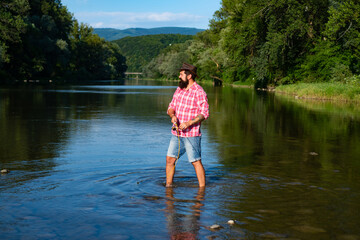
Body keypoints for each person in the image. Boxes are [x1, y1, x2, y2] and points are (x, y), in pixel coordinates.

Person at [166, 62, 209, 187]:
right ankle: (168, 187)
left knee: (195, 161)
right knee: (170, 160)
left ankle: (202, 190)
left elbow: (204, 113)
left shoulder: (199, 91)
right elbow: (171, 107)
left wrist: (189, 122)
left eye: (181, 74)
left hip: (192, 134)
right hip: (176, 133)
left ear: (189, 76)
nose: (179, 77)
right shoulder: (179, 90)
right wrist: (172, 115)